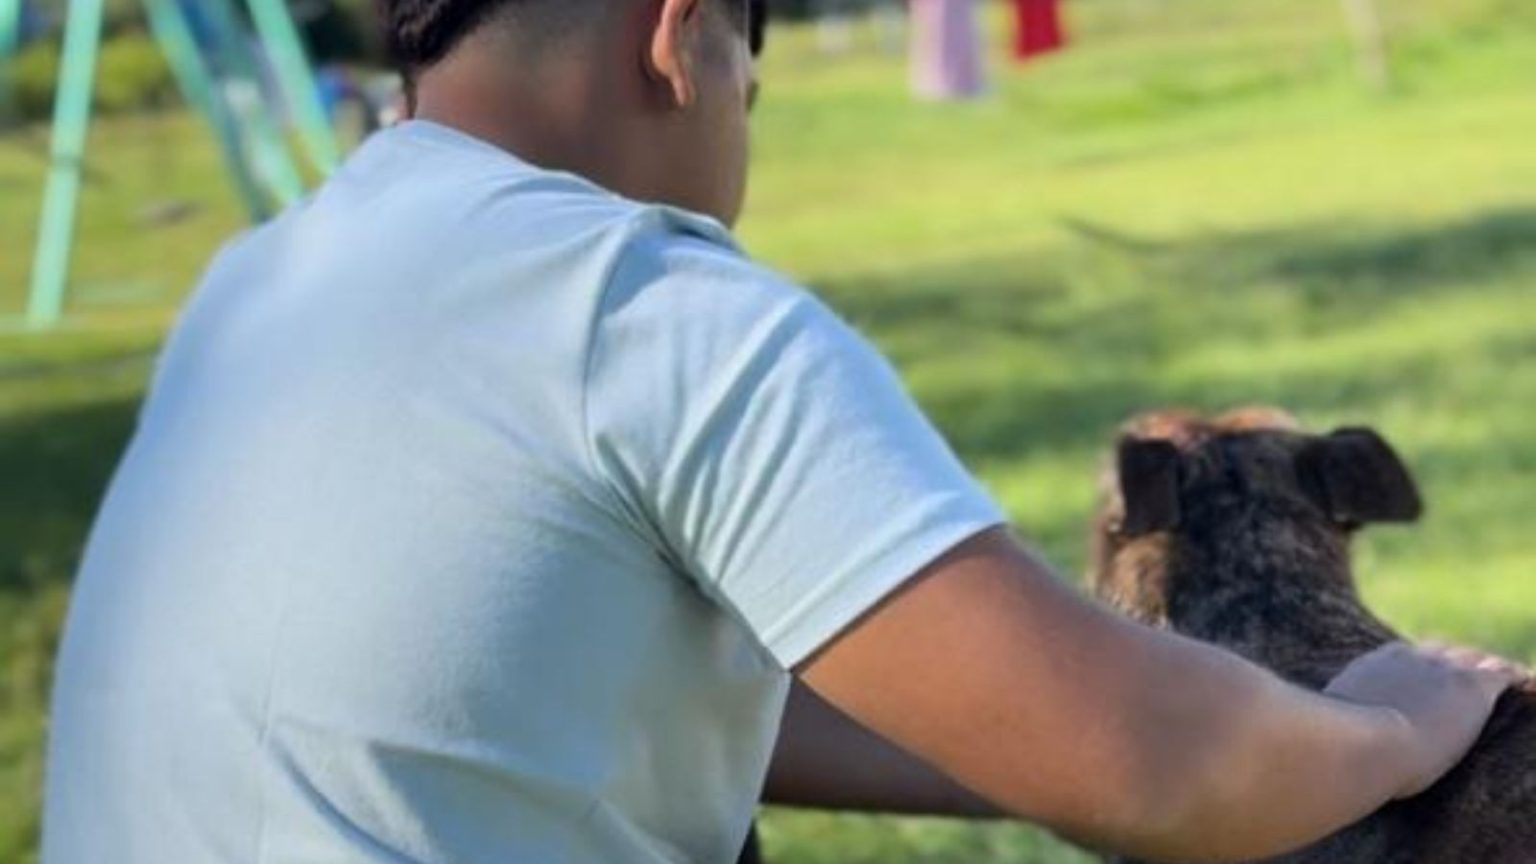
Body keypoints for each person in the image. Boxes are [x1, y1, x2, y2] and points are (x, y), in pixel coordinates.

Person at [42, 1, 1524, 862]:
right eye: (758, 85)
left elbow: (558, 707)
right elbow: (1161, 770)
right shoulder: (645, 301)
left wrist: (1027, 734)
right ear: (680, 39)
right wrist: (1395, 725)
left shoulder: (256, 285)